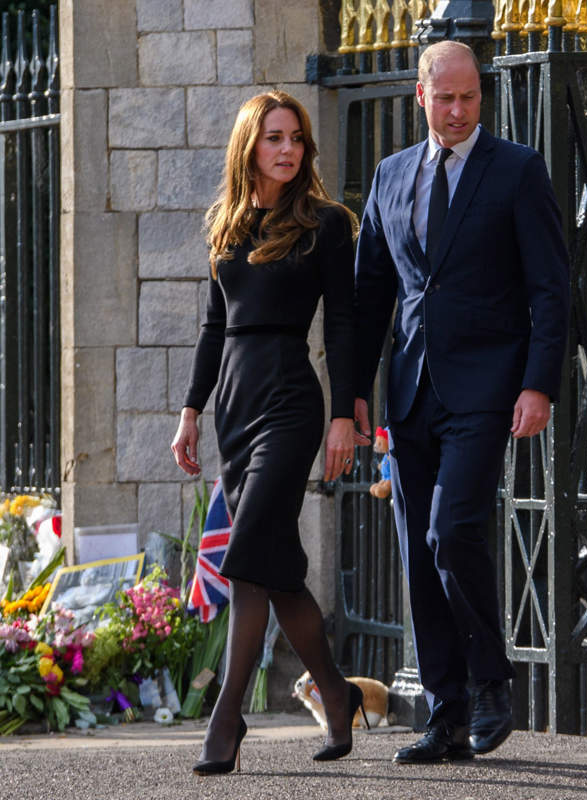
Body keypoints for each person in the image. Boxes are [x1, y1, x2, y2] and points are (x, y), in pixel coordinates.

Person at [352, 40, 569, 763]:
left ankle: (491, 681)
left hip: (488, 387)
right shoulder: (388, 176)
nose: (456, 110)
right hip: (409, 392)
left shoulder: (517, 170)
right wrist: (352, 396)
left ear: (483, 96)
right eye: (443, 98)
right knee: (418, 552)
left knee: (451, 531)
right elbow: (369, 295)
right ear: (421, 96)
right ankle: (443, 716)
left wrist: (538, 383)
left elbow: (550, 287)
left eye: (469, 98)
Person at [171, 91, 365, 776]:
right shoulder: (226, 221)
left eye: (296, 139)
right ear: (249, 146)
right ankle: (336, 694)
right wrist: (192, 410)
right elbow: (212, 327)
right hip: (235, 404)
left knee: (250, 549)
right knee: (272, 565)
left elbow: (342, 322)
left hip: (290, 400)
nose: (287, 150)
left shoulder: (325, 223)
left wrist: (344, 412)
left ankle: (226, 718)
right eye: (274, 138)